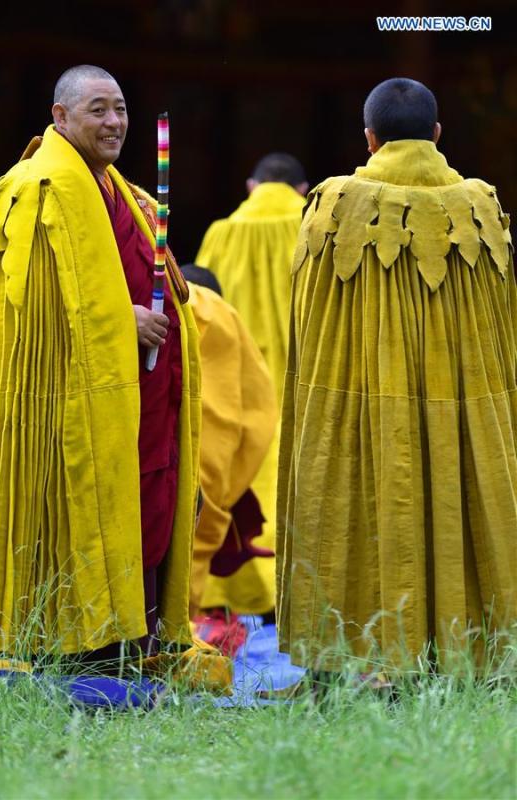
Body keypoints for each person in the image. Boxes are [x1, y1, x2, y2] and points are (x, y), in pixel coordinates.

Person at [0, 65, 227, 686]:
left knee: (146, 509)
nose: (115, 122)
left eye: (120, 109)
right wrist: (126, 322)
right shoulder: (37, 190)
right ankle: (75, 646)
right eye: (98, 110)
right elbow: (37, 314)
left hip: (139, 404)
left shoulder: (124, 193)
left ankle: (127, 643)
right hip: (68, 410)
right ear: (60, 117)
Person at [277, 78, 516, 673]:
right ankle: (478, 656)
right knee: (461, 498)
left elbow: (310, 324)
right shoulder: (482, 208)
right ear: (437, 134)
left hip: (360, 401)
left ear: (369, 138)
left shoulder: (335, 205)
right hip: (465, 403)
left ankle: (345, 661)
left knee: (354, 505)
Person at [195, 153, 308, 616]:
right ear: (303, 190)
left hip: (239, 382)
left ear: (250, 186)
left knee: (244, 480)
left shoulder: (223, 232)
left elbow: (199, 304)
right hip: (304, 381)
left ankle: (231, 600)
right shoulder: (315, 223)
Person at [180, 265, 277, 653]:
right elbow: (257, 414)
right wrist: (229, 487)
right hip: (210, 466)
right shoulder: (217, 312)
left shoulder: (180, 305)